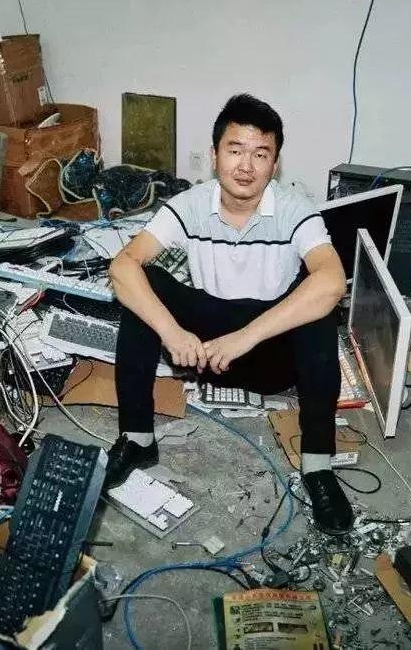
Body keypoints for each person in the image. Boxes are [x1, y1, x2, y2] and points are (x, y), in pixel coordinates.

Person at [107, 94, 353, 534]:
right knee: (143, 286)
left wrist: (246, 337)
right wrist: (173, 332)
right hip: (203, 353)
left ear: (275, 164)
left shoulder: (296, 210)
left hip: (268, 355)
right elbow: (122, 266)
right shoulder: (190, 204)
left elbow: (333, 282)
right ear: (215, 154)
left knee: (316, 306)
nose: (246, 166)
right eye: (235, 150)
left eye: (261, 154)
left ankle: (318, 467)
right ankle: (137, 439)